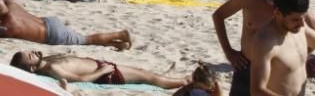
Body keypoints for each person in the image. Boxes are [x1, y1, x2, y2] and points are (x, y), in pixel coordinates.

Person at [212, 0, 315, 96]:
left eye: (275, 0)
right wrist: (229, 52)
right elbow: (218, 15)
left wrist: (300, 56)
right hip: (245, 64)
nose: (271, 3)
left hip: (276, 71)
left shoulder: (292, 6)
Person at [0, 0, 131, 48]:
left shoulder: (9, 27)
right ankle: (118, 44)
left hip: (52, 34)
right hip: (49, 21)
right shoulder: (10, 4)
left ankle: (121, 34)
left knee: (87, 40)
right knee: (80, 39)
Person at [10, 51, 189, 89]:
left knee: (145, 74)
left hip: (102, 65)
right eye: (30, 56)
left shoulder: (47, 61)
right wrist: (102, 71)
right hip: (107, 73)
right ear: (32, 68)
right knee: (147, 77)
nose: (32, 52)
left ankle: (182, 81)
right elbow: (81, 80)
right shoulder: (52, 68)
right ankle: (184, 82)